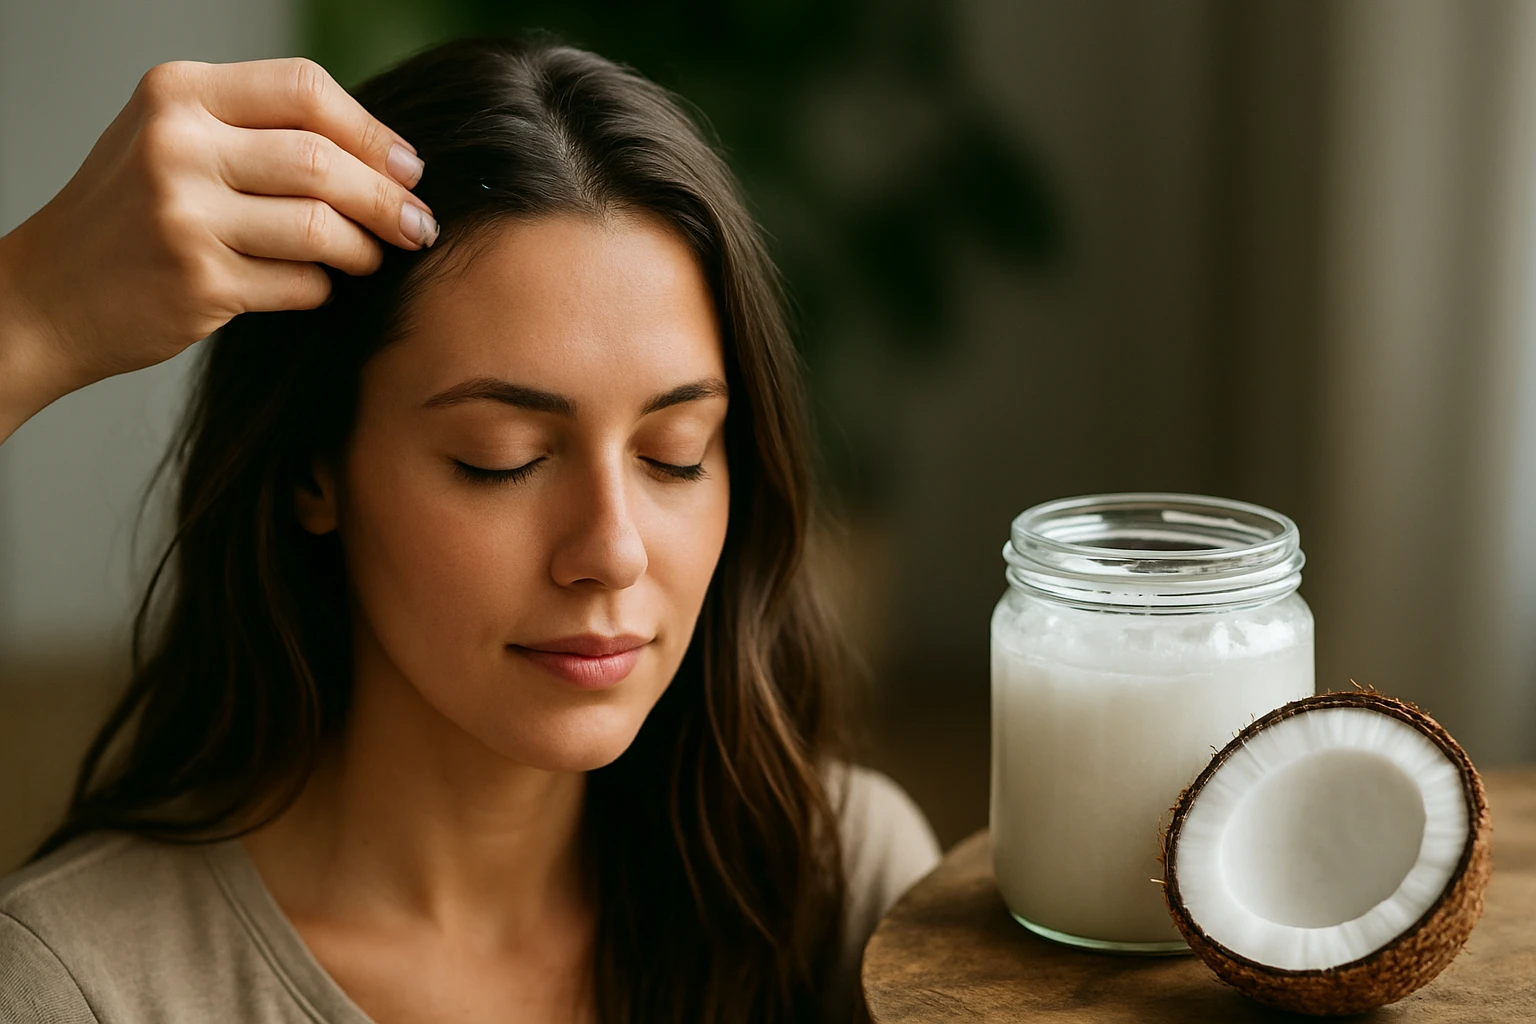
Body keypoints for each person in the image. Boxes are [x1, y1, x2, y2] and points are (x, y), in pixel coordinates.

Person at [0, 34, 940, 1024]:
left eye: (675, 451)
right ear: (313, 470)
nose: (614, 549)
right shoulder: (82, 982)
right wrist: (26, 311)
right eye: (502, 458)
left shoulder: (834, 885)